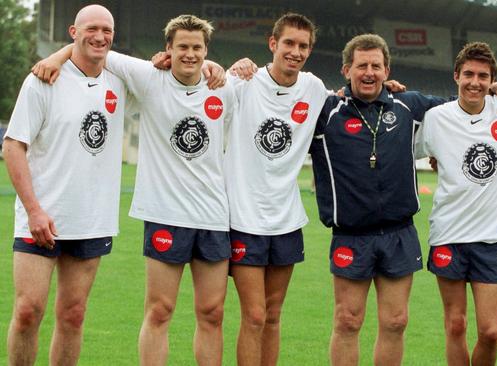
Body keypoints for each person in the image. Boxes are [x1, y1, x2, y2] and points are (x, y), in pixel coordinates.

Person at [309, 34, 497, 365]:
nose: (369, 73)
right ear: (346, 69)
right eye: (361, 66)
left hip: (399, 233)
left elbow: (465, 101)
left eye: (376, 66)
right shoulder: (325, 112)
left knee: (395, 323)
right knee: (348, 321)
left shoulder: (410, 105)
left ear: (387, 69)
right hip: (351, 234)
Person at [33, 14, 234, 366]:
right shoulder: (147, 76)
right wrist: (55, 57)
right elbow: (93, 48)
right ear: (167, 50)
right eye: (182, 47)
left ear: (206, 50)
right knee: (159, 311)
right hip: (164, 214)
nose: (190, 54)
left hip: (214, 215)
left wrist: (225, 66)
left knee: (213, 313)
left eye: (197, 47)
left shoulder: (224, 87)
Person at [3, 5, 127, 365]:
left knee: (73, 315)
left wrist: (211, 67)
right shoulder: (44, 80)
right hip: (40, 217)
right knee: (28, 311)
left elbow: (178, 73)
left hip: (90, 219)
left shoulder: (121, 80)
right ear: (73, 32)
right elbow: (13, 146)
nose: (100, 36)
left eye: (107, 30)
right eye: (91, 28)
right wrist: (34, 210)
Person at [224, 13, 330, 366]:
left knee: (272, 315)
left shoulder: (314, 89)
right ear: (273, 44)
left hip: (287, 220)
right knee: (253, 315)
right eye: (289, 43)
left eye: (303, 46)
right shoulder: (243, 83)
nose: (295, 52)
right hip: (244, 219)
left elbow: (356, 97)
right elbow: (196, 80)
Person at [415, 42, 497, 366]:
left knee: (490, 331)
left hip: (492, 239)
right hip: (448, 234)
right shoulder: (436, 119)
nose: (474, 82)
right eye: (468, 74)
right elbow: (405, 151)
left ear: (492, 80)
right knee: (455, 324)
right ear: (456, 76)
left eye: (483, 76)